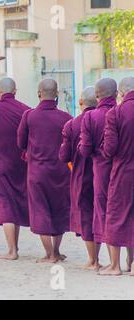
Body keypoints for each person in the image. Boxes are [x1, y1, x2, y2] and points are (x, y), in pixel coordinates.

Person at [17, 79, 72, 263]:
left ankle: (49, 254)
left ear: (39, 93)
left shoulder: (29, 116)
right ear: (56, 94)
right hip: (60, 172)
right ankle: (56, 251)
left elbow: (21, 143)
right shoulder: (66, 117)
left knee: (40, 210)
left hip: (37, 171)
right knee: (59, 209)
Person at [0, 77, 30, 260]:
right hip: (19, 163)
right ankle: (14, 246)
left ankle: (12, 250)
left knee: (5, 204)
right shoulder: (25, 110)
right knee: (15, 202)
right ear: (15, 91)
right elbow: (26, 138)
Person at [59, 87, 99, 270]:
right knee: (103, 214)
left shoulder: (72, 124)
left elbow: (64, 155)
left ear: (81, 103)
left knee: (86, 216)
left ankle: (93, 259)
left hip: (81, 176)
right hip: (104, 175)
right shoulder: (106, 118)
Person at [100, 76, 134, 276]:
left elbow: (110, 149)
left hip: (123, 172)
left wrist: (104, 150)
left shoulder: (116, 113)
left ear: (120, 93)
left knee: (116, 216)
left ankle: (115, 265)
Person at [79, 78, 117, 249]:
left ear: (96, 96)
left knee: (103, 211)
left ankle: (112, 261)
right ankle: (130, 261)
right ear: (116, 94)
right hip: (122, 168)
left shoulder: (91, 117)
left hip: (100, 170)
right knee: (126, 212)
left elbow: (85, 150)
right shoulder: (121, 112)